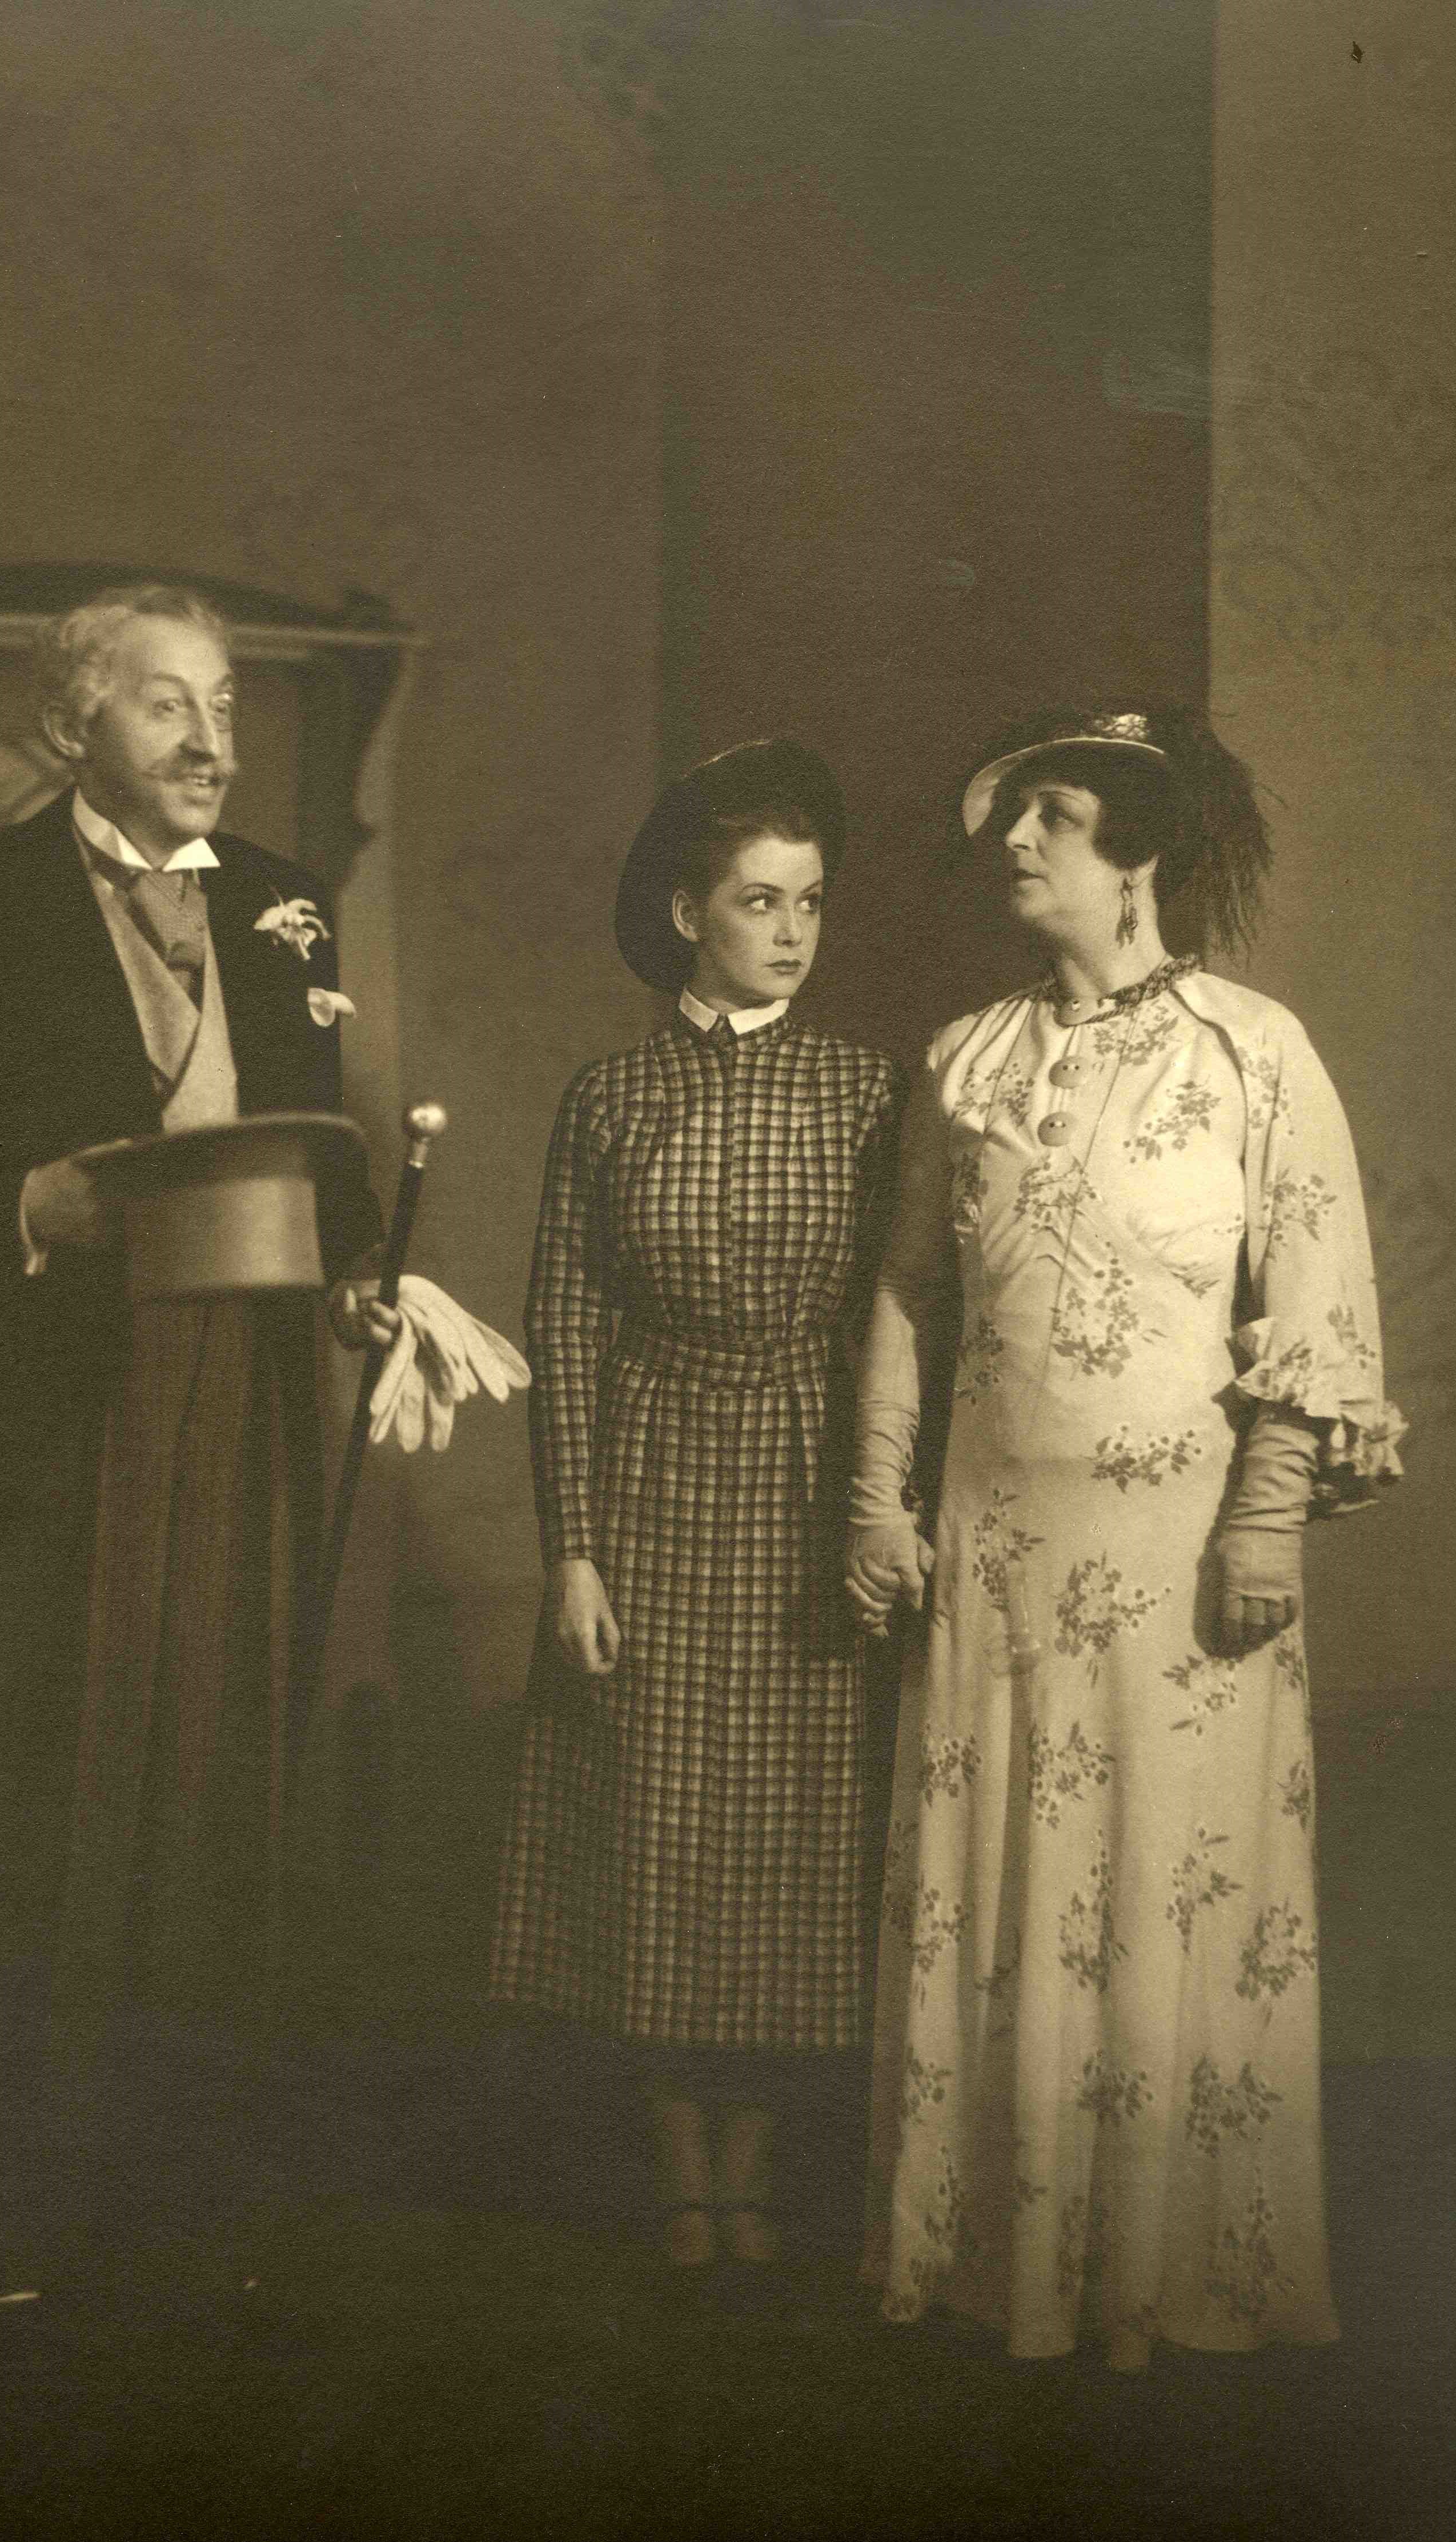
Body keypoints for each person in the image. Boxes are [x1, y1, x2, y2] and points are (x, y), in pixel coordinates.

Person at [0, 584, 409, 2282]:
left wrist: (365, 1280)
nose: (212, 740)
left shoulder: (286, 904)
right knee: (21, 1778)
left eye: (224, 705)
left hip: (242, 1408)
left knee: (209, 1778)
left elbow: (323, 1157)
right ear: (76, 724)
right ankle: (1, 2203)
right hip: (36, 1418)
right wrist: (25, 1202)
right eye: (166, 705)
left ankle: (190, 2205)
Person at [845, 705, 1404, 2368]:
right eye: (1011, 818)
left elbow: (1316, 1299)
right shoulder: (965, 1057)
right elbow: (907, 1295)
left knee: (1170, 1889)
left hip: (1183, 1566)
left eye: (1056, 818)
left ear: (1140, 853)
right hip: (995, 1552)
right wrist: (877, 1500)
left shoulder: (1254, 1051)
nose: (1016, 844)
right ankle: (999, 2271)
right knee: (1009, 1893)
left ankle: (1165, 2281)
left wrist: (1268, 1524)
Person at [492, 741, 902, 2279]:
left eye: (811, 903)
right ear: (687, 914)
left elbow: (900, 1318)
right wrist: (573, 1551)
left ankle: (760, 2168)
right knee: (658, 1827)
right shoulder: (610, 1097)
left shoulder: (868, 1090)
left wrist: (881, 1509)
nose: (791, 933)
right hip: (652, 1479)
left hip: (808, 1480)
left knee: (797, 1832)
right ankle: (681, 2173)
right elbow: (566, 1323)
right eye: (758, 901)